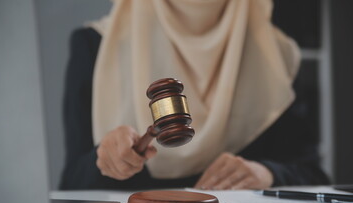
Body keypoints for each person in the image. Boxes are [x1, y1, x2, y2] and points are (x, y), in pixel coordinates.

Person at [60, 0, 329, 190]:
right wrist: (104, 160)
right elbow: (72, 183)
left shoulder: (273, 53)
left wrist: (267, 173)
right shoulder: (97, 45)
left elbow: (314, 174)